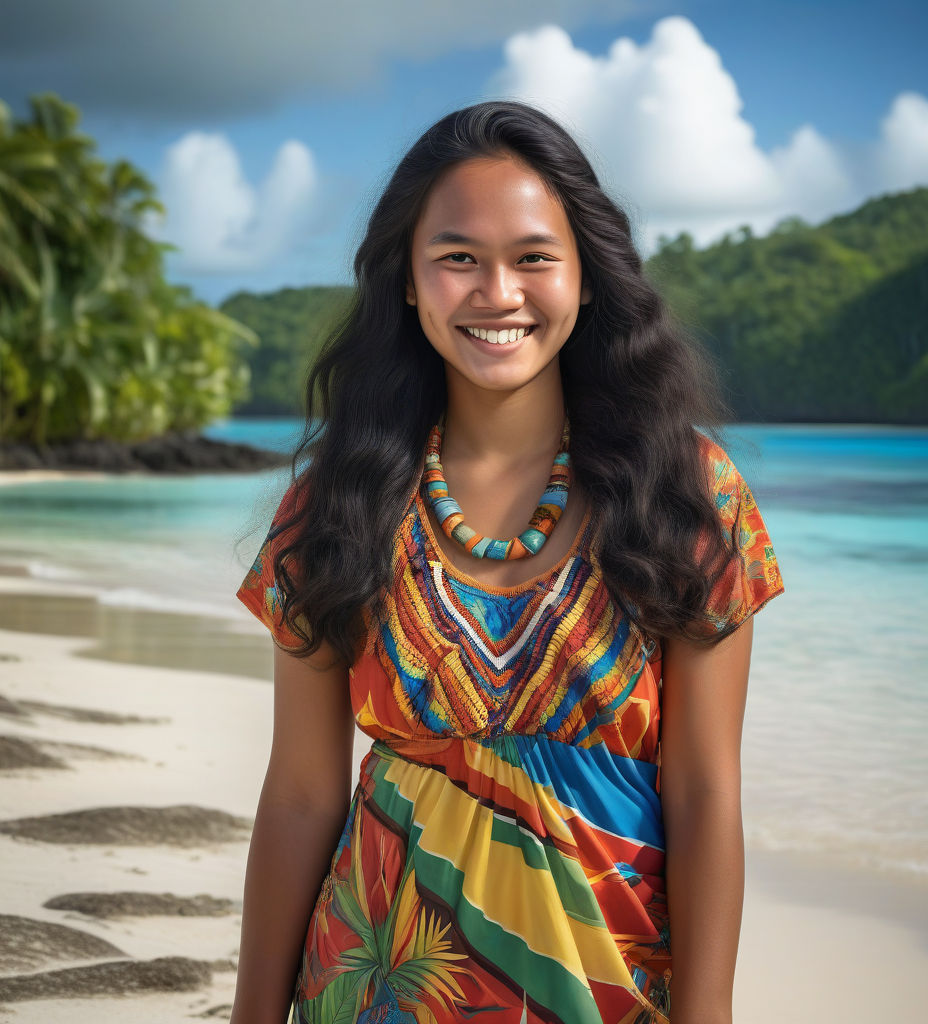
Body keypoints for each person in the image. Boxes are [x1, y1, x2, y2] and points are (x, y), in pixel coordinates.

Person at [231, 101, 783, 1024]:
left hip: (607, 992)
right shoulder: (335, 501)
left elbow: (703, 792)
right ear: (408, 282)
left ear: (587, 276)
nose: (498, 292)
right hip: (375, 989)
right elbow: (300, 789)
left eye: (534, 257)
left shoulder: (687, 493)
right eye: (458, 258)